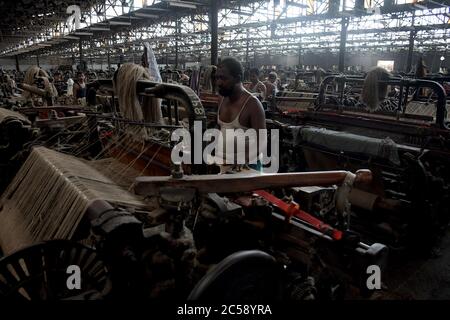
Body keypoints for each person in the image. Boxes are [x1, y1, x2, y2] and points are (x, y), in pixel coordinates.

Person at [215, 57, 266, 172]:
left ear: (237, 78)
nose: (218, 82)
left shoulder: (253, 104)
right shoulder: (222, 99)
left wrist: (242, 160)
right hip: (224, 163)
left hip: (247, 167)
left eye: (223, 78)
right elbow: (219, 128)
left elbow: (261, 142)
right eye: (217, 78)